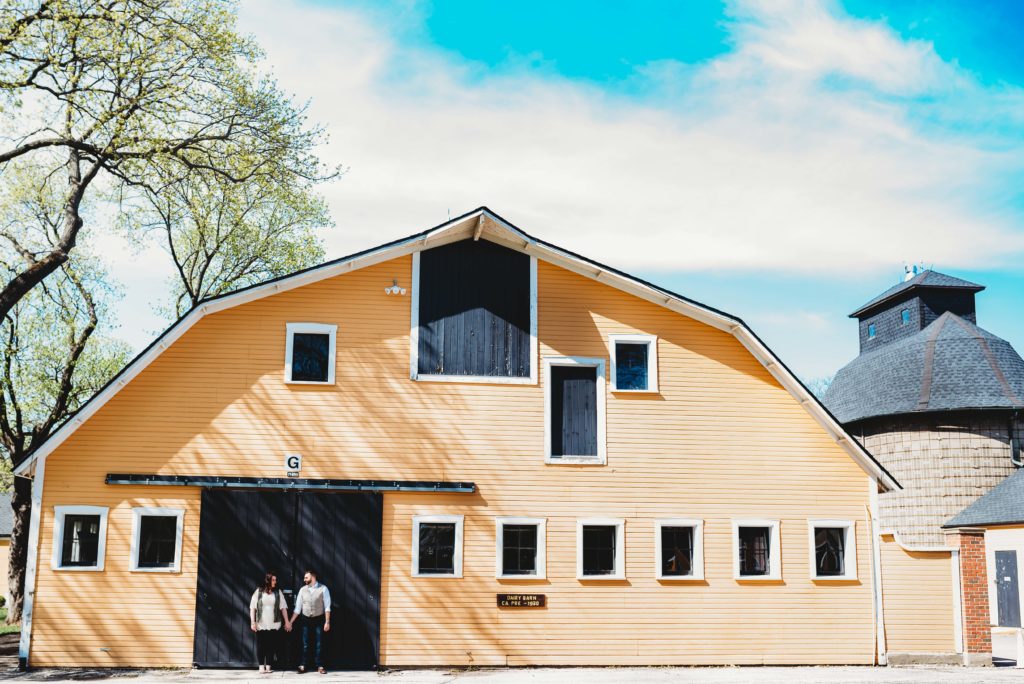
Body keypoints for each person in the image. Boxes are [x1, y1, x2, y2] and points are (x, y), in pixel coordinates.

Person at [289, 569, 331, 674]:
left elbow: (327, 607)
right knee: (305, 644)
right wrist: (290, 622)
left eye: (306, 577)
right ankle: (303, 665)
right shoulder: (302, 590)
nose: (304, 579)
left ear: (313, 577)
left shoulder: (323, 589)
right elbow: (297, 609)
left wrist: (327, 621)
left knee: (319, 643)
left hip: (319, 619)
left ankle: (320, 665)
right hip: (305, 619)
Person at [249, 571, 291, 674]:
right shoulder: (259, 591)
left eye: (275, 580)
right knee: (261, 645)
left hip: (274, 623)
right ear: (268, 580)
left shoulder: (278, 592)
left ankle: (268, 666)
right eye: (273, 580)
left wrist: (287, 622)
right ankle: (261, 666)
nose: (275, 582)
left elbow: (283, 608)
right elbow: (252, 608)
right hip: (261, 623)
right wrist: (252, 622)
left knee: (271, 645)